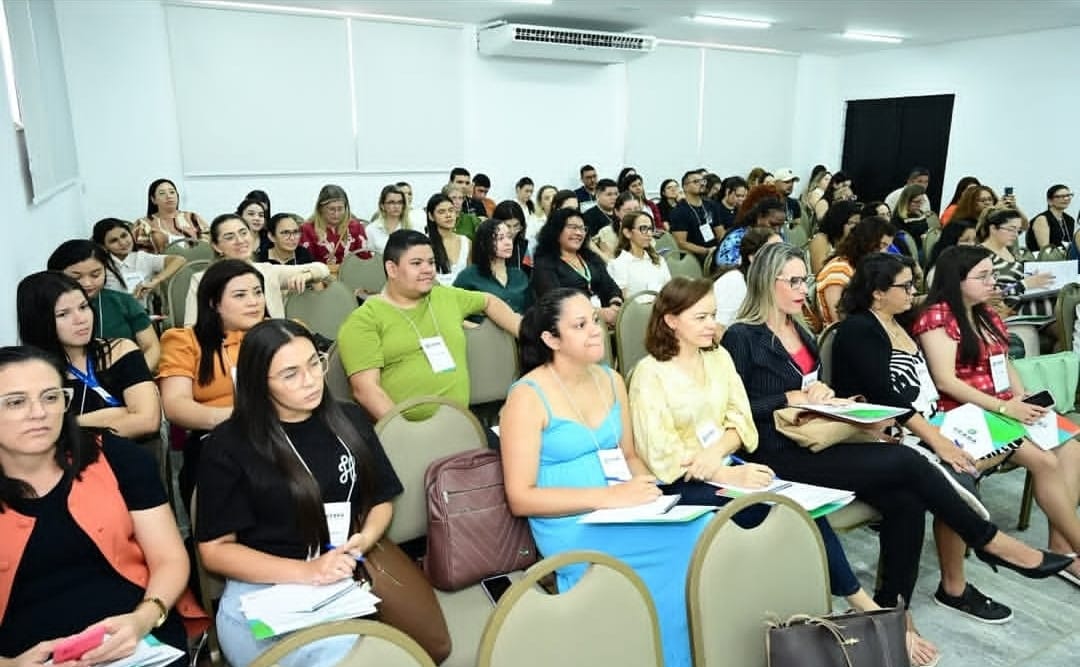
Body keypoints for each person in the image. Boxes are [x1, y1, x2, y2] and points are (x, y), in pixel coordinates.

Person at [721, 244, 1072, 640]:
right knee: (907, 463)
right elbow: (734, 410)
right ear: (768, 282)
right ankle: (990, 541)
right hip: (775, 453)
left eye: (807, 280)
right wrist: (789, 398)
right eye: (796, 281)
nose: (805, 289)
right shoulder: (742, 337)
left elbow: (814, 388)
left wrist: (828, 397)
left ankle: (892, 610)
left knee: (906, 499)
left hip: (816, 438)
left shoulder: (799, 330)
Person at [629, 278, 905, 642]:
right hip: (680, 484)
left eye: (713, 315)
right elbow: (660, 453)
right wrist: (724, 474)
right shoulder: (650, 374)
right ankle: (862, 609)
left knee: (801, 509)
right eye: (701, 317)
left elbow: (741, 420)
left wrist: (718, 458)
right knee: (780, 509)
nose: (712, 325)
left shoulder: (718, 358)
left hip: (723, 464)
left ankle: (854, 605)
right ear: (671, 321)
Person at [500, 288, 712, 667]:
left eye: (595, 320)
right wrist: (609, 498)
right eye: (580, 325)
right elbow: (521, 497)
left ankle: (683, 653)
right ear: (552, 340)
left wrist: (652, 494)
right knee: (678, 548)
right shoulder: (527, 396)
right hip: (570, 525)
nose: (596, 330)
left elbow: (629, 456)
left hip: (622, 507)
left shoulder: (612, 380)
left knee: (700, 529)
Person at [196, 320, 403, 666]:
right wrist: (308, 572)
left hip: (342, 577)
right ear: (259, 383)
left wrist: (364, 540)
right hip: (263, 591)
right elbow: (215, 551)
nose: (310, 380)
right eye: (290, 374)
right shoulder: (229, 445)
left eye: (314, 363)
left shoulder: (349, 419)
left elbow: (381, 498)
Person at [832, 254, 1014, 624]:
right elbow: (885, 397)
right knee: (954, 473)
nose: (913, 292)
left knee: (1006, 443)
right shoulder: (858, 330)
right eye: (905, 286)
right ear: (878, 292)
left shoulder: (900, 320)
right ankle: (971, 560)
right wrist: (937, 439)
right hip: (890, 434)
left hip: (931, 423)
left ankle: (971, 553)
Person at [0, 346, 200, 666]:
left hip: (137, 640)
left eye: (51, 397)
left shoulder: (116, 457)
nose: (38, 412)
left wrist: (144, 618)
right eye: (15, 402)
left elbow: (169, 558)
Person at [912, 245, 1080, 585]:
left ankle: (1061, 546)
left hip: (1003, 406)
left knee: (1072, 447)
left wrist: (1021, 396)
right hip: (966, 413)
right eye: (983, 276)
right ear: (957, 281)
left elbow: (1004, 361)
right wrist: (1005, 407)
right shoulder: (937, 317)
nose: (993, 282)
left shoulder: (985, 313)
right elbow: (946, 380)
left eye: (992, 274)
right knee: (1045, 461)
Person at [337, 230, 521, 422]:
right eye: (416, 263)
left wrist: (524, 331)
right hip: (406, 430)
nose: (428, 269)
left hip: (461, 423)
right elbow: (365, 390)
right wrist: (402, 430)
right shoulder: (364, 320)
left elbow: (488, 301)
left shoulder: (445, 296)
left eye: (431, 262)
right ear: (392, 269)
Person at [160, 260, 268, 505]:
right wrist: (239, 418)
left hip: (277, 435)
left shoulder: (277, 336)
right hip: (216, 436)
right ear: (213, 303)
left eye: (257, 292)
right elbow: (175, 405)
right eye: (240, 295)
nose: (254, 301)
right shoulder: (185, 341)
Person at [17, 272, 160, 440]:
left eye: (83, 307)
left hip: (134, 452)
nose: (81, 319)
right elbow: (40, 437)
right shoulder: (29, 373)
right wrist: (112, 416)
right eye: (63, 314)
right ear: (38, 321)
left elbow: (147, 422)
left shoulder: (120, 349)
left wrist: (67, 426)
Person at [184, 214, 330, 325]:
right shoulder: (201, 279)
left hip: (272, 344)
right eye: (229, 237)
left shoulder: (268, 271)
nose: (240, 240)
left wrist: (307, 275)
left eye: (243, 233)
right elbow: (191, 327)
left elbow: (323, 269)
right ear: (216, 246)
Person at [47, 240, 161, 371]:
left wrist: (137, 376)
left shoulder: (124, 302)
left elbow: (151, 347)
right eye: (76, 277)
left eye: (95, 275)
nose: (87, 283)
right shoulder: (48, 307)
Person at [531, 208, 623, 325]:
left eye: (582, 228)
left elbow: (611, 287)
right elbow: (555, 302)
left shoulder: (591, 258)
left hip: (604, 321)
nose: (579, 233)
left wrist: (615, 306)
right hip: (569, 324)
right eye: (573, 227)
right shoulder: (544, 263)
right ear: (556, 230)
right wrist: (596, 313)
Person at [815, 216, 896, 327]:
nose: (885, 252)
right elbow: (840, 320)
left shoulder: (862, 267)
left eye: (888, 247)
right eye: (882, 245)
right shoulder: (838, 270)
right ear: (867, 242)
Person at [977, 207, 1054, 317]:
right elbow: (981, 291)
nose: (1016, 235)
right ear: (993, 229)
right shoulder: (980, 254)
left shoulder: (1010, 252)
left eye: (1018, 231)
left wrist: (1030, 278)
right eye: (1011, 229)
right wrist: (1025, 284)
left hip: (1021, 303)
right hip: (1006, 311)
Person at [92, 217, 186, 307]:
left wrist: (155, 281)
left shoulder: (142, 257)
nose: (123, 243)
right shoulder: (100, 266)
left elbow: (179, 260)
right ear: (103, 246)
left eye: (124, 236)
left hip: (142, 312)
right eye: (114, 241)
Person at [454, 218, 531, 314]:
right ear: (484, 243)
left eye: (509, 237)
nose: (508, 243)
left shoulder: (519, 276)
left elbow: (532, 310)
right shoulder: (468, 276)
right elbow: (452, 309)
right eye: (500, 238)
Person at [712, 227, 781, 328]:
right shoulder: (734, 281)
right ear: (753, 258)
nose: (783, 256)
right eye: (774, 252)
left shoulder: (773, 280)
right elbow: (717, 328)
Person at [300, 184, 370, 271]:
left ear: (346, 208)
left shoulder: (356, 227)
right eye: (332, 209)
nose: (336, 214)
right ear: (320, 208)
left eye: (340, 209)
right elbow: (305, 264)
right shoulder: (307, 229)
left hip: (352, 275)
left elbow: (365, 259)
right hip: (319, 277)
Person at [606, 212, 671, 300]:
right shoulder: (618, 264)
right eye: (643, 228)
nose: (649, 234)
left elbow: (669, 289)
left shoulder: (659, 260)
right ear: (627, 233)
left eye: (651, 229)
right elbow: (625, 300)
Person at [132, 178, 207, 253]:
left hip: (197, 259)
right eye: (162, 193)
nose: (169, 196)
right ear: (153, 199)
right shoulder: (143, 224)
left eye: (172, 192)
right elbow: (140, 254)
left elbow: (208, 242)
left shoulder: (192, 217)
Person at [712, 199, 786, 267]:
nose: (777, 230)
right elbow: (725, 265)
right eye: (773, 224)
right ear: (759, 217)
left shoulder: (777, 237)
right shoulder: (736, 238)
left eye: (781, 226)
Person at [669, 170, 724, 260]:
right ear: (685, 187)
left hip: (715, 252)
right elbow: (681, 243)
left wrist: (722, 248)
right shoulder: (679, 211)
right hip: (693, 257)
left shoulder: (711, 205)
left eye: (703, 181)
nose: (701, 184)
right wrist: (706, 251)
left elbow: (720, 232)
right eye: (696, 181)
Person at [425, 193, 471, 286]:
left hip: (462, 291)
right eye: (441, 212)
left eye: (451, 210)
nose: (448, 215)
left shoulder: (466, 242)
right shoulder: (424, 243)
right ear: (431, 216)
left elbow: (470, 275)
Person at [808, 200, 861, 274]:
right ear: (839, 222)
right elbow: (819, 272)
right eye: (851, 223)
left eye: (858, 224)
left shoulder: (851, 244)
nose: (854, 228)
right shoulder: (821, 239)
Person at [1026, 184, 1076, 252]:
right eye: (1060, 196)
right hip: (1044, 257)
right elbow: (1045, 250)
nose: (1066, 198)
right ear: (1050, 201)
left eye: (1068, 195)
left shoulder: (1070, 219)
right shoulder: (1042, 219)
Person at [593, 191, 640, 261]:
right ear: (617, 212)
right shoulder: (606, 232)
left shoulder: (645, 230)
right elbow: (610, 262)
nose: (634, 214)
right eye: (628, 211)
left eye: (637, 209)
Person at [366, 185, 412, 255]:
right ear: (382, 205)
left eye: (400, 202)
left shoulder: (411, 228)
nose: (396, 206)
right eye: (391, 202)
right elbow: (370, 258)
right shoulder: (371, 230)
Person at [488, 200, 530, 272]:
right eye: (508, 226)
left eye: (516, 226)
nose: (512, 232)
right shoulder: (487, 246)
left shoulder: (524, 247)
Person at [891, 184, 932, 257]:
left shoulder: (919, 214)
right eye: (916, 202)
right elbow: (902, 242)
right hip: (909, 253)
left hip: (924, 248)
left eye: (922, 201)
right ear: (906, 201)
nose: (920, 205)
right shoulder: (897, 219)